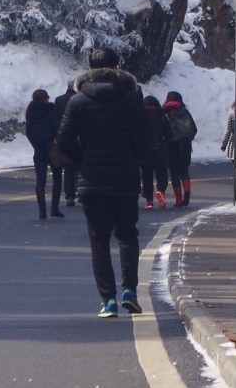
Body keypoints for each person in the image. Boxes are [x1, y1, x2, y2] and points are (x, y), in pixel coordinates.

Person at [55, 45, 153, 317]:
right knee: (127, 236)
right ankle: (130, 291)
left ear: (90, 68)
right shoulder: (131, 97)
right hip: (125, 178)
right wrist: (131, 157)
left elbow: (63, 141)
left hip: (92, 179)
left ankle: (107, 300)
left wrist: (83, 157)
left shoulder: (77, 101)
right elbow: (146, 137)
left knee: (98, 240)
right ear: (118, 66)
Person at [24, 88, 63, 221]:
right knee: (57, 177)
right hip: (51, 146)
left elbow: (28, 131)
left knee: (40, 180)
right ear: (44, 98)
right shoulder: (50, 109)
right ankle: (54, 207)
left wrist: (35, 144)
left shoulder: (30, 111)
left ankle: (42, 211)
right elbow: (56, 127)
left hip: (38, 149)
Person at [162, 90, 197, 206]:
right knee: (184, 170)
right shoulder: (185, 111)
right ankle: (187, 192)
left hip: (172, 146)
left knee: (174, 172)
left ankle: (178, 200)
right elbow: (194, 129)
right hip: (186, 145)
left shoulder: (165, 112)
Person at [52, 80, 79, 206]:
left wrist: (58, 135)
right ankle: (81, 190)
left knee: (68, 167)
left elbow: (56, 119)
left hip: (64, 137)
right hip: (79, 137)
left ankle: (69, 195)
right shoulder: (81, 100)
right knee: (80, 166)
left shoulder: (59, 100)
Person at [141, 94, 170, 209]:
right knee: (161, 175)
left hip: (145, 152)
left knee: (146, 177)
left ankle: (149, 201)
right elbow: (169, 135)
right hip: (160, 151)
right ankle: (160, 193)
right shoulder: (163, 117)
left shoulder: (141, 117)